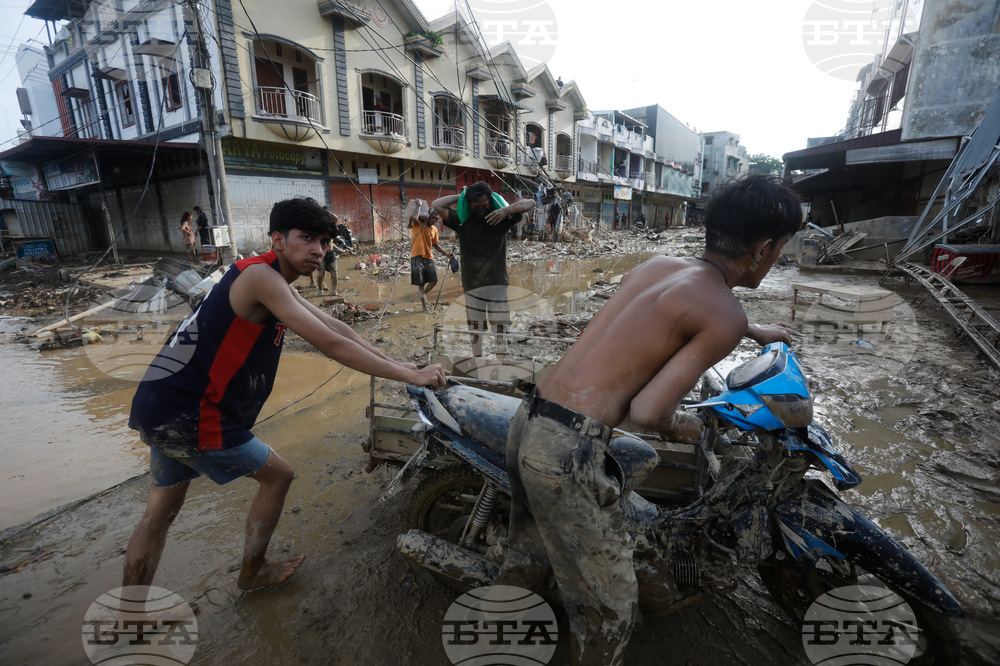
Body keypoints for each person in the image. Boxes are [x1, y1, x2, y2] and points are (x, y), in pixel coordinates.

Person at [497, 174, 802, 664]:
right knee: (612, 609)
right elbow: (648, 412)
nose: (778, 257)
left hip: (529, 421)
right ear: (764, 247)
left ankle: (499, 632)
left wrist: (755, 329)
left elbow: (666, 314)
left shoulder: (656, 266)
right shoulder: (723, 313)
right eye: (781, 248)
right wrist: (690, 426)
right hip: (570, 454)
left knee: (527, 552)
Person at [124, 197, 447, 591]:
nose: (318, 250)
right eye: (307, 238)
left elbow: (336, 327)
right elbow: (329, 345)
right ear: (278, 239)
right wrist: (409, 378)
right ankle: (253, 572)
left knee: (160, 511)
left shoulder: (266, 274)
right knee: (279, 476)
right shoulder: (263, 280)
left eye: (325, 242)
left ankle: (132, 612)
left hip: (160, 401)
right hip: (190, 410)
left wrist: (404, 367)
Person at [432, 182, 535, 357]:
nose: (481, 210)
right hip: (473, 287)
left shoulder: (500, 219)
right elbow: (436, 204)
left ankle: (501, 358)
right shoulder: (461, 221)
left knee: (500, 327)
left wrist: (505, 210)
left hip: (497, 284)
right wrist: (462, 195)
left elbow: (531, 203)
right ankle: (477, 359)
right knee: (475, 328)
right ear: (469, 205)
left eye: (485, 205)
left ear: (491, 202)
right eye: (475, 206)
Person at [406, 199, 453, 312]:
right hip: (417, 256)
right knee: (421, 283)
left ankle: (423, 295)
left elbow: (435, 245)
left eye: (437, 219)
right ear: (428, 216)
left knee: (434, 281)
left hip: (429, 257)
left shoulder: (434, 230)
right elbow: (416, 218)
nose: (435, 220)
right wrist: (418, 205)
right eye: (433, 218)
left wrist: (446, 253)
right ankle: (424, 307)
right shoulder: (419, 225)